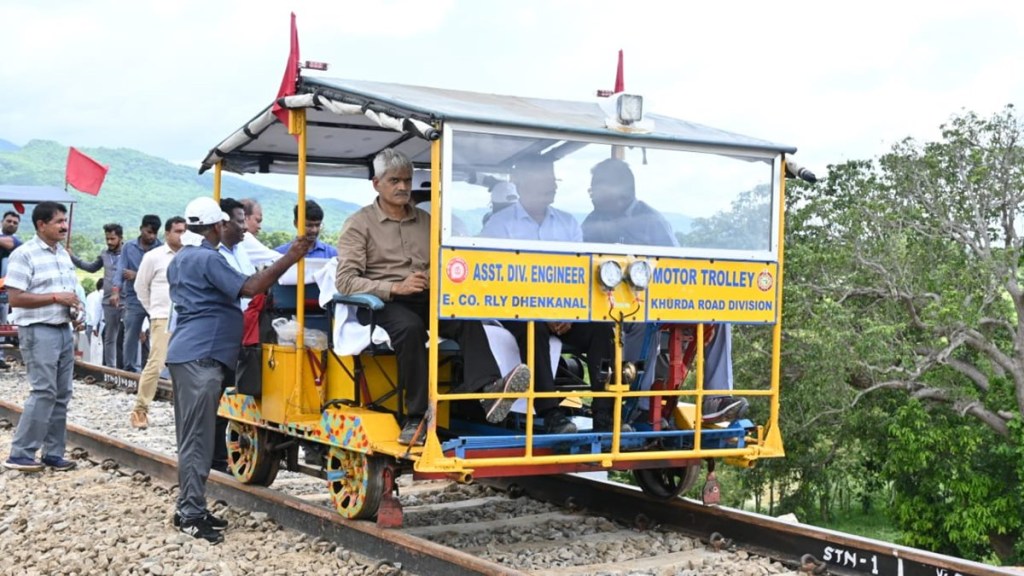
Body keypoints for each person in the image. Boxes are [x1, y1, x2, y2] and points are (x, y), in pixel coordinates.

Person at [336, 149, 531, 445]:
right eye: (394, 181)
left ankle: (488, 391)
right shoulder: (359, 223)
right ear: (377, 184)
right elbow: (346, 281)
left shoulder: (427, 221)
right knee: (410, 328)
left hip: (424, 296)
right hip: (381, 303)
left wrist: (435, 276)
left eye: (407, 180)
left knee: (464, 317)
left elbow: (443, 262)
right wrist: (395, 287)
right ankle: (415, 416)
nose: (403, 187)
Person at [166, 196, 313, 543]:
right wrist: (291, 256)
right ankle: (190, 514)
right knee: (197, 440)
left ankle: (190, 507)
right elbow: (249, 287)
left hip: (193, 354)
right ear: (216, 226)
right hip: (201, 357)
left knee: (194, 438)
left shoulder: (183, 257)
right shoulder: (207, 258)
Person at [581, 158, 747, 425]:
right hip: (611, 308)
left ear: (619, 191)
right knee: (639, 319)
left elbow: (676, 268)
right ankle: (637, 403)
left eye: (595, 189)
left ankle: (715, 397)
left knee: (718, 315)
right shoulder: (591, 224)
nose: (591, 195)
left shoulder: (650, 222)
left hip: (656, 300)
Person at [480, 155, 613, 433]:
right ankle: (550, 413)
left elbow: (579, 276)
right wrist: (543, 313)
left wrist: (569, 313)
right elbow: (499, 281)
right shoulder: (500, 226)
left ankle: (605, 414)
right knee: (534, 328)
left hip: (564, 311)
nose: (553, 186)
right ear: (523, 184)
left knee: (601, 328)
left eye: (554, 180)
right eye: (546, 181)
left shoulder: (568, 223)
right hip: (515, 309)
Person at [2, 201, 83, 472]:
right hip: (38, 330)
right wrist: (55, 297)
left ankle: (53, 453)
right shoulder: (24, 254)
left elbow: (69, 293)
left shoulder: (63, 255)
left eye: (65, 221)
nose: (64, 226)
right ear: (41, 224)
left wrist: (75, 311)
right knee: (44, 391)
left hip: (62, 328)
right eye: (59, 221)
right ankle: (21, 453)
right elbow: (15, 297)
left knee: (62, 393)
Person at [130, 216, 186, 430]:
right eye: (178, 231)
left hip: (187, 317)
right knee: (156, 363)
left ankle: (184, 413)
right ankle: (140, 410)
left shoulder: (191, 256)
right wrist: (153, 310)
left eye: (185, 231)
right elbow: (140, 286)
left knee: (187, 365)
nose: (182, 235)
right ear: (167, 233)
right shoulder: (154, 257)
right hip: (163, 316)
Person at [70, 223, 124, 369]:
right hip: (108, 300)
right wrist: (73, 257)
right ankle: (111, 368)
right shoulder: (104, 254)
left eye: (112, 239)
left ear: (120, 238)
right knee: (109, 337)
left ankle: (128, 369)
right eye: (107, 239)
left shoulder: (128, 252)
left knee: (127, 336)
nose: (109, 242)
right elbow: (92, 268)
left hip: (127, 300)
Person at [114, 215, 162, 373]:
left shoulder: (161, 249)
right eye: (149, 232)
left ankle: (156, 370)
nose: (152, 236)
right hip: (134, 298)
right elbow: (120, 270)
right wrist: (116, 291)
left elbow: (161, 276)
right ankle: (130, 370)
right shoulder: (129, 247)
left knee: (158, 335)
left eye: (155, 233)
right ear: (141, 229)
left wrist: (137, 275)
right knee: (131, 335)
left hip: (155, 299)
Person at [274, 200, 338, 258]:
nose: (314, 230)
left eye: (317, 225)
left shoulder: (332, 254)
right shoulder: (279, 254)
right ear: (296, 224)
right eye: (309, 225)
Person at [239, 198, 280, 267]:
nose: (259, 227)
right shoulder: (245, 237)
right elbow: (277, 260)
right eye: (257, 221)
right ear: (244, 218)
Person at [0, 210, 23, 326]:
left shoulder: (17, 242)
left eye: (15, 223)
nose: (12, 224)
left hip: (5, 287)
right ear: (1, 222)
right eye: (9, 221)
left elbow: (9, 243)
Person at [85, 278, 105, 364]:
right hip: (96, 325)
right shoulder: (99, 296)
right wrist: (95, 326)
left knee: (91, 350)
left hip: (89, 324)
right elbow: (94, 312)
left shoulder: (90, 295)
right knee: (98, 350)